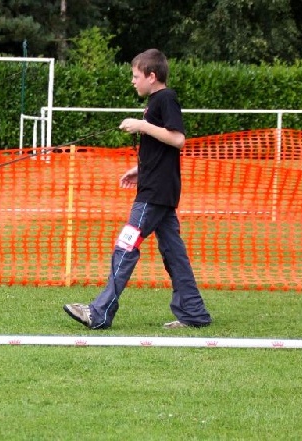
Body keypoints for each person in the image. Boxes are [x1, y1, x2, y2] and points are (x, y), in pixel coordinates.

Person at [63, 49, 212, 330]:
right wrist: (139, 170)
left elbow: (178, 139)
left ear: (152, 76)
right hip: (159, 190)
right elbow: (161, 149)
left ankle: (99, 312)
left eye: (136, 76)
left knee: (125, 246)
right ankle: (194, 313)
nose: (133, 81)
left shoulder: (165, 98)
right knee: (174, 254)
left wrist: (141, 125)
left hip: (154, 195)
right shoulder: (156, 101)